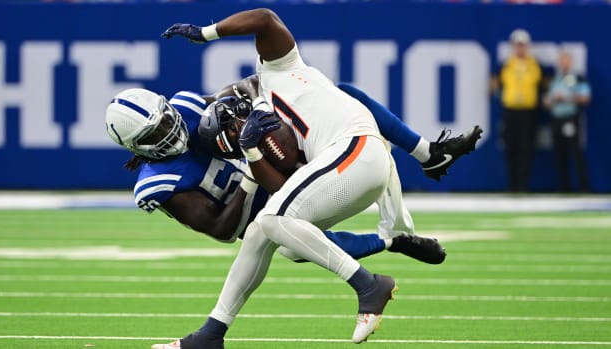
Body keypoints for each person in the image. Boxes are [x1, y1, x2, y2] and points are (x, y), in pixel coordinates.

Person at [156, 8, 481, 349]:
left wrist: (205, 33)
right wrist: (251, 151)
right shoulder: (265, 137)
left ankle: (369, 284)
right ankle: (211, 335)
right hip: (355, 163)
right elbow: (283, 193)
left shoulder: (277, 71)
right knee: (269, 234)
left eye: (234, 126)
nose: (238, 129)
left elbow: (265, 18)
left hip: (358, 152)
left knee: (274, 220)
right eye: (233, 137)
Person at [105, 80, 446, 262]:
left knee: (342, 94)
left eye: (165, 119)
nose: (168, 131)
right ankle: (392, 242)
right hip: (263, 208)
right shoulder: (158, 185)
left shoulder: (189, 106)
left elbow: (252, 84)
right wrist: (252, 170)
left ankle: (426, 153)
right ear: (137, 147)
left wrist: (253, 108)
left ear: (167, 106)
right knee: (293, 247)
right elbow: (222, 229)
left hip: (281, 160)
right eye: (155, 134)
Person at [490, 29, 542, 192]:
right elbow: (496, 86)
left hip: (528, 112)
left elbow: (540, 85)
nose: (520, 48)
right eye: (517, 45)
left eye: (523, 45)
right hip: (511, 111)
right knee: (511, 147)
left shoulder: (534, 65)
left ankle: (522, 185)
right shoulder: (506, 65)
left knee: (526, 148)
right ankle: (512, 185)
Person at [543, 51, 591, 192]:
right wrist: (552, 100)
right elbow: (546, 101)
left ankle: (584, 187)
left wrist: (566, 98)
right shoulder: (555, 79)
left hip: (570, 118)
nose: (563, 63)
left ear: (571, 62)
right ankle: (564, 188)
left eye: (566, 60)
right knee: (559, 154)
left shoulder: (578, 78)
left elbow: (585, 98)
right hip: (556, 119)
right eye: (561, 60)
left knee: (576, 153)